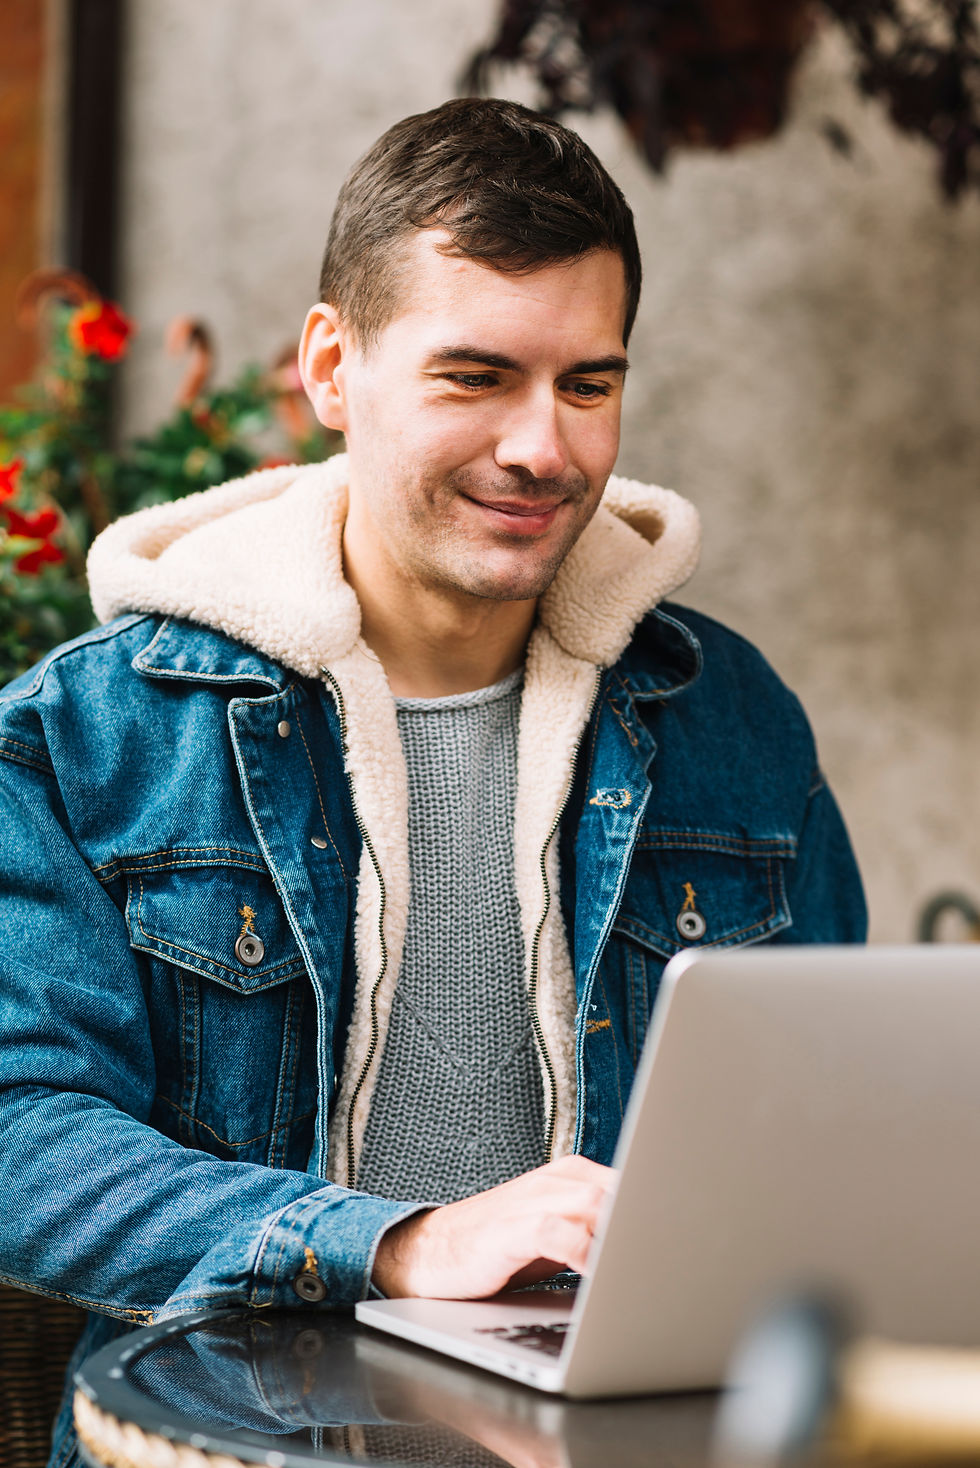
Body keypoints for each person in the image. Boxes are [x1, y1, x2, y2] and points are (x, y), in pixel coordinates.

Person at [0, 98, 865, 1464]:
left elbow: (841, 1128)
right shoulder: (89, 738)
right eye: (477, 377)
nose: (546, 448)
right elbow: (18, 1133)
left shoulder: (732, 720)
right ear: (333, 367)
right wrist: (391, 1243)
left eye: (588, 384)